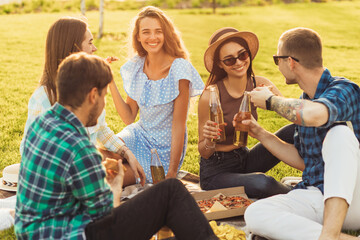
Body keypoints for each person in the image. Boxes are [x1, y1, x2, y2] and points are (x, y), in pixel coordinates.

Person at [15, 53, 218, 240]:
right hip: (73, 234)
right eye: (104, 96)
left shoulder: (42, 122)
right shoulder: (80, 149)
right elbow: (105, 217)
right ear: (93, 96)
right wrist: (115, 184)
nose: (104, 104)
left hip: (33, 230)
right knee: (171, 190)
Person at [244, 27, 360, 240]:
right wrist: (259, 132)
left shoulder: (344, 90)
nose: (277, 66)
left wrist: (271, 101)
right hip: (318, 195)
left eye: (276, 59)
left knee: (339, 135)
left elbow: (316, 114)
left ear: (290, 62)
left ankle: (328, 235)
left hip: (354, 195)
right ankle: (338, 238)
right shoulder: (305, 100)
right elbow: (304, 161)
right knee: (256, 213)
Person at [20, 17, 145, 187]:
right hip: (62, 177)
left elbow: (100, 128)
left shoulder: (89, 87)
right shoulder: (44, 98)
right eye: (90, 42)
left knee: (123, 159)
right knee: (128, 172)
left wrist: (126, 152)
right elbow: (30, 151)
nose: (95, 48)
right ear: (74, 50)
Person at [109, 6, 205, 182]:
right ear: (138, 36)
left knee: (114, 177)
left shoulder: (179, 68)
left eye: (158, 32)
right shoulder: (138, 65)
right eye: (146, 32)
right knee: (103, 156)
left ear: (166, 34)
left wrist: (172, 172)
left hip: (163, 150)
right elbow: (129, 117)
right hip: (138, 135)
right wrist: (109, 80)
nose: (152, 37)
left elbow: (179, 125)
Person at [198, 27, 295, 199]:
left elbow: (294, 113)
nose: (238, 62)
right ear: (220, 64)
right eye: (229, 60)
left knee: (293, 130)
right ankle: (305, 195)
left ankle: (318, 176)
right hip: (216, 172)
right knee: (263, 183)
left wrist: (273, 102)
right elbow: (204, 152)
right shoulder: (211, 96)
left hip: (245, 158)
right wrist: (209, 140)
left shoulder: (260, 84)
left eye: (242, 55)